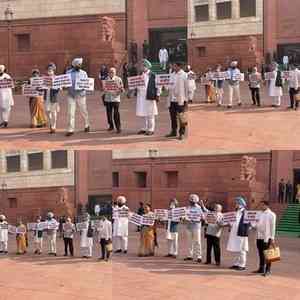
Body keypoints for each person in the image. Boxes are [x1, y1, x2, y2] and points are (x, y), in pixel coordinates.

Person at [65, 58, 90, 136]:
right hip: (71, 95)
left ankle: (87, 124)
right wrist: (64, 85)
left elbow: (87, 83)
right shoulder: (68, 72)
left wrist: (85, 86)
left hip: (81, 95)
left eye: (80, 64)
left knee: (83, 111)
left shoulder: (84, 73)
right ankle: (70, 129)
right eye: (78, 64)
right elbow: (65, 82)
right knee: (71, 113)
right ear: (74, 65)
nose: (80, 65)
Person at [136, 59, 160, 136]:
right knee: (143, 113)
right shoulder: (140, 75)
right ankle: (144, 128)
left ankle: (151, 129)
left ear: (147, 67)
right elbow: (136, 84)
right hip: (141, 97)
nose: (142, 67)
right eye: (142, 65)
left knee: (150, 113)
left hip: (150, 96)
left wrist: (158, 95)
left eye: (143, 66)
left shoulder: (153, 75)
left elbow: (158, 86)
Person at [165, 62, 189, 140]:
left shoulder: (184, 75)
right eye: (173, 66)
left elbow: (187, 88)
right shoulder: (171, 75)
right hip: (172, 99)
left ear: (179, 67)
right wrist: (165, 86)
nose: (173, 67)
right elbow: (168, 84)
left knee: (181, 117)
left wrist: (186, 99)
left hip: (181, 99)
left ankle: (182, 133)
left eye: (175, 66)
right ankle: (173, 131)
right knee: (173, 116)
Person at [253, 201, 276, 277]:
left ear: (267, 205)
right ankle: (261, 268)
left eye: (263, 205)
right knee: (260, 253)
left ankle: (268, 270)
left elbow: (273, 227)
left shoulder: (271, 214)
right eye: (261, 205)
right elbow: (256, 223)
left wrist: (272, 238)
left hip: (267, 237)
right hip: (259, 236)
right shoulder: (259, 213)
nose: (261, 206)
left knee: (268, 254)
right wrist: (253, 225)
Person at [226, 196, 250, 271]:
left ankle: (242, 265)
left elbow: (249, 223)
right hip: (234, 233)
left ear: (240, 204)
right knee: (236, 248)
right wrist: (230, 224)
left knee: (242, 249)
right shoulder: (236, 212)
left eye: (237, 203)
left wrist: (246, 229)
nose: (235, 204)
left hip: (241, 233)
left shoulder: (246, 212)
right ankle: (237, 263)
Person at [103, 67, 124, 133]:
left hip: (116, 99)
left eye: (113, 72)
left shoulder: (118, 79)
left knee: (116, 113)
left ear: (115, 73)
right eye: (110, 72)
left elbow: (122, 89)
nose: (111, 73)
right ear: (108, 73)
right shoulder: (106, 79)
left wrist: (120, 91)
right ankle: (111, 125)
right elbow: (104, 88)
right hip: (108, 99)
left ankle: (118, 127)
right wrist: (104, 89)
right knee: (109, 114)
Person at [184, 194, 204, 263]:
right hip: (188, 226)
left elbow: (202, 217)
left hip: (196, 226)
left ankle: (199, 256)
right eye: (191, 200)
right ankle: (190, 255)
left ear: (196, 201)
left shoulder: (199, 208)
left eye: (193, 200)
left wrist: (199, 219)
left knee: (197, 241)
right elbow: (185, 216)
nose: (191, 201)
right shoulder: (187, 208)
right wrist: (184, 218)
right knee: (189, 241)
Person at [44, 63, 60, 134]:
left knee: (53, 112)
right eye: (48, 70)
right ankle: (51, 122)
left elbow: (58, 89)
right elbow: (41, 88)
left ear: (54, 70)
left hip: (53, 97)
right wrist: (38, 87)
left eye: (51, 70)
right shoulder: (44, 78)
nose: (50, 71)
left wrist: (57, 87)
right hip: (46, 97)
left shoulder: (57, 78)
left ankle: (53, 126)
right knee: (47, 112)